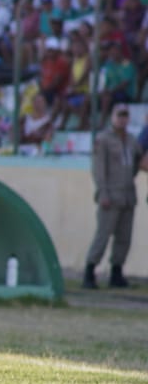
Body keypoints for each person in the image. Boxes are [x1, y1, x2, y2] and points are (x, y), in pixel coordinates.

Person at [82, 105, 148, 289]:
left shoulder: (131, 140)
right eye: (120, 116)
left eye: (126, 116)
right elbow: (99, 169)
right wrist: (103, 192)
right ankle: (90, 270)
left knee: (124, 237)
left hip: (127, 195)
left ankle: (116, 272)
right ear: (112, 117)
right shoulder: (103, 140)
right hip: (110, 194)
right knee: (103, 235)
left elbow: (139, 160)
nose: (123, 120)